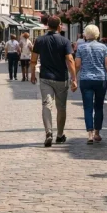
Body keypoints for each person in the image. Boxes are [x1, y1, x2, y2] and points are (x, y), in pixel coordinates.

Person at [31, 15, 76, 147]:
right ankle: (60, 135)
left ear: (47, 26)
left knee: (46, 105)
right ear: (59, 26)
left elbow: (33, 59)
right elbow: (70, 59)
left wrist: (32, 74)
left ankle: (49, 132)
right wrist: (74, 78)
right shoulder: (65, 41)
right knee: (61, 107)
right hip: (61, 78)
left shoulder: (39, 40)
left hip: (45, 78)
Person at [73, 24, 107, 144]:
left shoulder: (81, 48)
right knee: (99, 106)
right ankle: (97, 132)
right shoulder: (103, 48)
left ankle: (90, 134)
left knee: (87, 107)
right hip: (100, 79)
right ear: (97, 34)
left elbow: (77, 65)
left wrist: (74, 78)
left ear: (86, 34)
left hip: (86, 79)